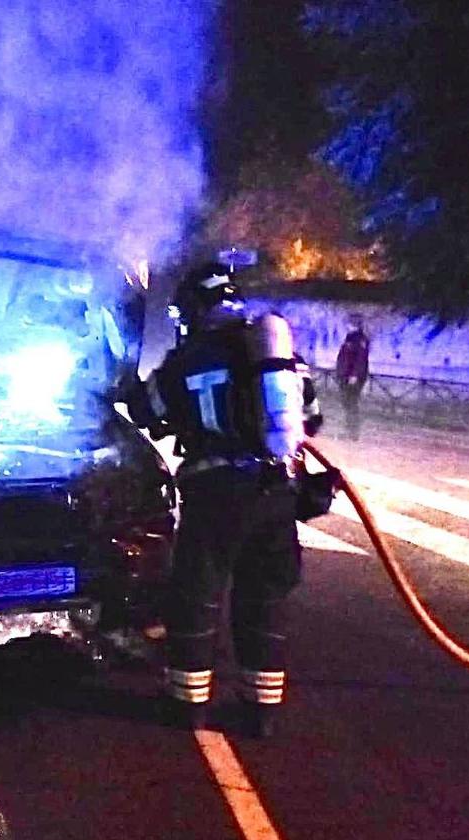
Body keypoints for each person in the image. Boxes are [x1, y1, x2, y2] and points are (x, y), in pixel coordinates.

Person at [124, 262, 322, 738]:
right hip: (275, 491)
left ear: (193, 307)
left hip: (214, 494)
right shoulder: (276, 355)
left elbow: (147, 411)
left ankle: (188, 706)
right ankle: (261, 712)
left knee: (196, 596)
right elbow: (310, 419)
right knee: (265, 599)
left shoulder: (184, 360)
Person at [335, 316, 370, 440]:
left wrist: (354, 375)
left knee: (351, 404)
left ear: (354, 325)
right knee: (347, 404)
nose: (346, 326)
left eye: (348, 324)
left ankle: (353, 433)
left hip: (353, 378)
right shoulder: (350, 338)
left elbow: (360, 359)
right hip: (346, 376)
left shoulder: (360, 339)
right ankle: (349, 430)